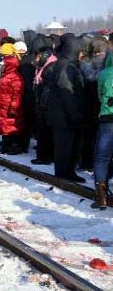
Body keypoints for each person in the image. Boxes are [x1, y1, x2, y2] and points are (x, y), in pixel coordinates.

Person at [45, 33, 86, 182]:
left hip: (64, 115)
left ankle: (68, 172)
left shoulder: (67, 64)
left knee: (70, 146)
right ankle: (63, 174)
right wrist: (74, 113)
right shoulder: (65, 66)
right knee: (65, 147)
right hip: (64, 116)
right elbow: (66, 93)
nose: (82, 55)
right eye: (80, 51)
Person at [78, 36, 106, 171]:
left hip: (89, 107)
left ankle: (87, 162)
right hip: (99, 108)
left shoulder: (85, 65)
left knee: (89, 136)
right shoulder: (105, 69)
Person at [0, 43, 27, 155]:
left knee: (12, 127)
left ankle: (14, 146)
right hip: (3, 105)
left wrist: (13, 107)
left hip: (10, 107)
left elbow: (17, 93)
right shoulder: (5, 74)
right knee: (4, 127)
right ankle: (5, 146)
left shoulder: (15, 76)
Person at [93, 45, 113, 210]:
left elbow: (100, 96)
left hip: (107, 118)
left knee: (102, 157)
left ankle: (101, 197)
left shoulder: (103, 74)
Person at [31, 35, 57, 165]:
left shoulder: (50, 66)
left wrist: (42, 105)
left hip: (46, 106)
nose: (35, 59)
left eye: (37, 56)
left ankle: (45, 156)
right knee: (42, 132)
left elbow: (48, 88)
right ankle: (43, 155)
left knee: (45, 133)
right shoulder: (43, 65)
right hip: (42, 104)